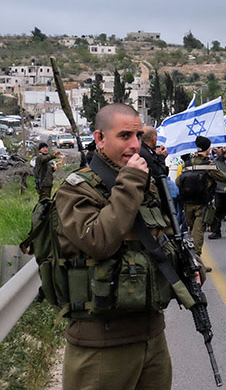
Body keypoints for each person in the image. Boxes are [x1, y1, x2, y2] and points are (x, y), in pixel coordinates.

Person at [55, 104, 177, 388]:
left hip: (152, 336)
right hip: (102, 344)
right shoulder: (76, 189)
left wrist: (189, 266)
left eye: (138, 135)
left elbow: (166, 240)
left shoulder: (146, 185)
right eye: (124, 136)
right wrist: (132, 181)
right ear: (99, 138)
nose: (135, 145)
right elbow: (99, 241)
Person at [176, 136, 226, 257]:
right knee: (198, 234)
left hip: (187, 204)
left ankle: (192, 259)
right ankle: (196, 262)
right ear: (208, 149)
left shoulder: (187, 163)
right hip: (202, 204)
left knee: (191, 232)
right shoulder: (209, 165)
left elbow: (178, 182)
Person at [209, 145, 226, 240]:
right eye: (224, 148)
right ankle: (216, 231)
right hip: (219, 189)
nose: (225, 150)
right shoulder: (216, 161)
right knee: (217, 211)